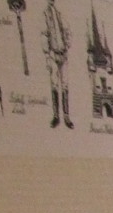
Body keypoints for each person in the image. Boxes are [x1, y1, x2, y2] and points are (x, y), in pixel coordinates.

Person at [41, 0, 70, 128]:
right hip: (53, 54)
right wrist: (47, 54)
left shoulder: (59, 13)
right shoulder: (45, 14)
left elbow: (67, 30)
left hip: (63, 53)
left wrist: (67, 45)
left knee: (65, 85)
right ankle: (56, 116)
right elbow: (44, 35)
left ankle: (66, 116)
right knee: (54, 84)